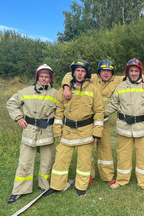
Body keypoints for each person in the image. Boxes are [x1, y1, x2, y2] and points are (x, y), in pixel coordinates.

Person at [60, 59, 144, 184]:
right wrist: (66, 86)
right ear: (99, 72)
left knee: (105, 148)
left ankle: (107, 176)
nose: (106, 74)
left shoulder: (118, 80)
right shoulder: (91, 77)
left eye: (109, 71)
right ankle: (89, 175)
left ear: (112, 73)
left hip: (104, 120)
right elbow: (69, 74)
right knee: (87, 149)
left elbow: (134, 73)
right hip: (88, 121)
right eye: (103, 71)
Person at [43, 59, 104, 197]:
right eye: (77, 71)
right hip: (68, 131)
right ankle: (56, 185)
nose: (80, 74)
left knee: (84, 161)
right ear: (73, 73)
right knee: (61, 159)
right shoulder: (63, 90)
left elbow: (99, 111)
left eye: (82, 71)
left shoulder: (93, 89)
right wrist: (57, 129)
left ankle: (81, 186)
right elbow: (59, 111)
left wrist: (97, 132)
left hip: (86, 131)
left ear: (86, 73)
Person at [6, 64, 58, 204]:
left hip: (47, 132)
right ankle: (19, 190)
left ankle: (45, 186)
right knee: (25, 162)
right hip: (29, 132)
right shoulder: (26, 91)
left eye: (47, 77)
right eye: (41, 76)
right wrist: (18, 117)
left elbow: (62, 111)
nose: (44, 79)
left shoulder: (56, 94)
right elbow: (11, 103)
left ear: (51, 78)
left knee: (47, 162)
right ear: (37, 77)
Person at [104, 58, 144, 193]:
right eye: (131, 70)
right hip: (124, 127)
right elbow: (112, 105)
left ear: (140, 72)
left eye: (136, 71)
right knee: (123, 155)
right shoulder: (120, 87)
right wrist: (97, 115)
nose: (133, 73)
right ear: (127, 72)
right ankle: (121, 180)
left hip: (142, 127)